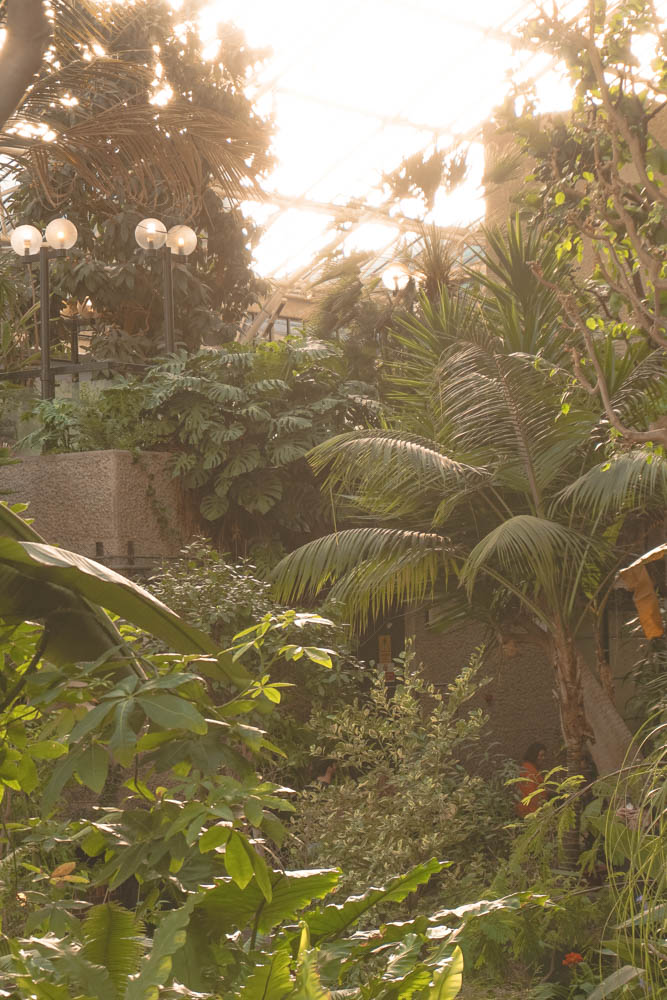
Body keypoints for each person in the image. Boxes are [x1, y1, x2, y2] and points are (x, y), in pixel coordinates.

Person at [516, 742, 548, 817]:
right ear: (533, 756)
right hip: (530, 813)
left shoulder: (530, 769)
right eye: (541, 755)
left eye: (544, 756)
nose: (543, 758)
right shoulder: (529, 771)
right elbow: (531, 795)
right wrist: (537, 816)